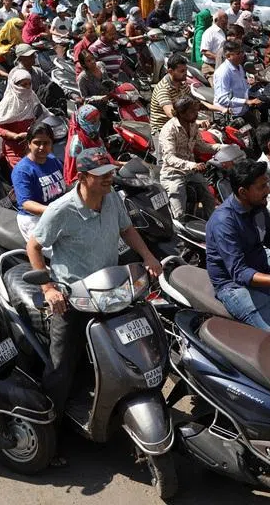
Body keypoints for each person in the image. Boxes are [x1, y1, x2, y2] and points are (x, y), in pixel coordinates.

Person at [26, 147, 162, 414]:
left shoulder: (112, 199)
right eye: (101, 174)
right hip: (73, 297)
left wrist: (148, 257)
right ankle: (51, 425)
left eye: (110, 172)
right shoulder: (60, 210)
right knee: (61, 365)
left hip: (110, 292)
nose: (108, 178)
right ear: (82, 177)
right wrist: (49, 288)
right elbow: (34, 246)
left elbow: (127, 229)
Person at [205, 160, 270, 334]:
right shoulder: (224, 222)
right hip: (234, 287)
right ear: (243, 192)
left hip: (261, 271)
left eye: (267, 184)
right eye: (262, 187)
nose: (268, 190)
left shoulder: (258, 207)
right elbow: (240, 272)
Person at [159, 96, 219, 218]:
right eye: (192, 111)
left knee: (209, 198)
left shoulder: (193, 125)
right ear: (181, 113)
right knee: (179, 210)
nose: (196, 114)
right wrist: (192, 165)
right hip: (173, 174)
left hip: (191, 173)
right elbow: (169, 158)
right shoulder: (169, 130)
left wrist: (220, 148)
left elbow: (200, 146)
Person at [11, 122, 66, 239]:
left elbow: (66, 185)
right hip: (34, 220)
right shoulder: (22, 170)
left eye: (46, 143)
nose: (42, 147)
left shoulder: (53, 160)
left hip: (58, 216)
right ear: (29, 144)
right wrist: (53, 211)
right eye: (37, 143)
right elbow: (26, 204)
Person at [0, 68, 44, 168]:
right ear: (15, 85)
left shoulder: (32, 97)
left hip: (33, 146)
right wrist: (15, 136)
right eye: (24, 85)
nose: (27, 87)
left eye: (29, 84)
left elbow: (42, 112)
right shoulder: (8, 101)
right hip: (14, 149)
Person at [214, 39, 261, 117]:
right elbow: (222, 99)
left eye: (242, 52)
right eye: (238, 53)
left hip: (242, 110)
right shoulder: (223, 72)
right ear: (228, 56)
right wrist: (246, 101)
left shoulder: (239, 66)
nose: (242, 55)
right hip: (228, 115)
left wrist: (250, 84)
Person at [64, 104, 106, 185]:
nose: (97, 124)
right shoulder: (77, 143)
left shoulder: (93, 136)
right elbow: (75, 170)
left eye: (97, 120)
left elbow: (105, 156)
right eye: (93, 122)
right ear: (82, 122)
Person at [200, 10, 228, 75]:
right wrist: (219, 58)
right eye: (224, 20)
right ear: (216, 20)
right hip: (210, 67)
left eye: (227, 20)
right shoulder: (210, 32)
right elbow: (205, 51)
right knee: (217, 84)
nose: (226, 22)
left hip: (223, 65)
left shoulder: (224, 31)